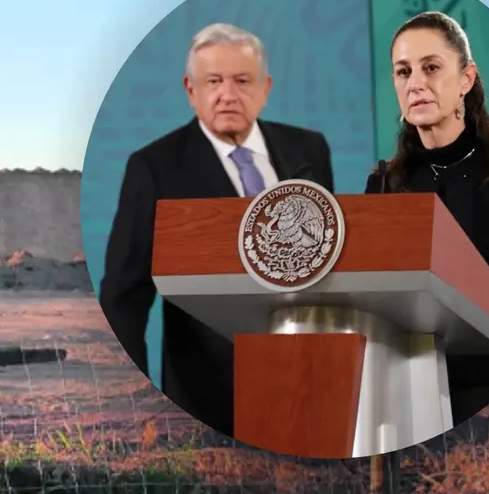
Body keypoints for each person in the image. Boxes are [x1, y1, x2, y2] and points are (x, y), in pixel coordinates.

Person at [99, 23, 336, 438]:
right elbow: (125, 297)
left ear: (266, 88)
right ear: (191, 90)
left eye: (242, 81)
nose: (228, 94)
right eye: (214, 82)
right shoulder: (155, 167)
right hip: (207, 397)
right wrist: (133, 400)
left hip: (309, 383)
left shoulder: (309, 151)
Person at [365, 10, 489, 425]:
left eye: (431, 68)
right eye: (403, 72)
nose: (416, 84)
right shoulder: (384, 183)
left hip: (486, 390)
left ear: (466, 79)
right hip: (399, 394)